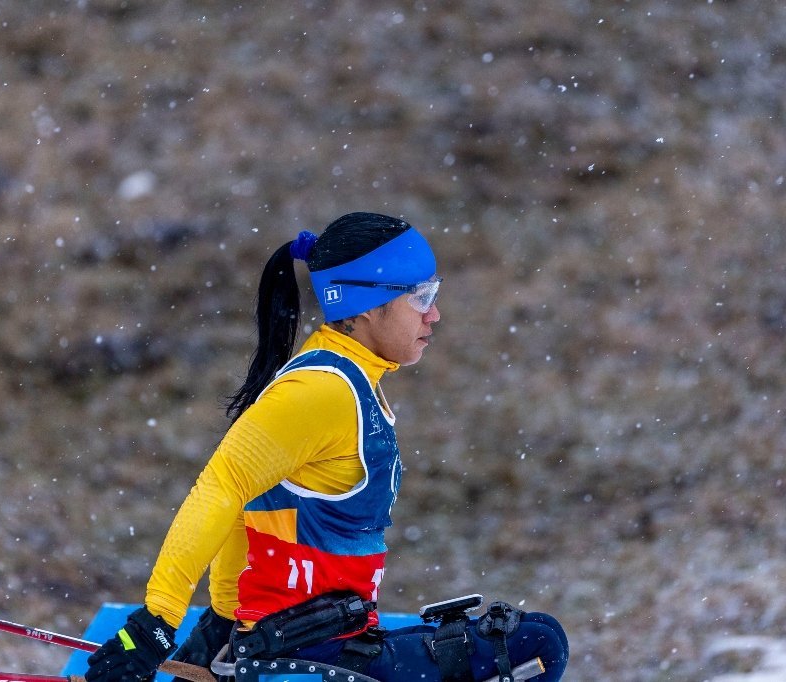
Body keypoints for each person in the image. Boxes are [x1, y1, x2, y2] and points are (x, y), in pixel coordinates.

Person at [84, 212, 569, 682]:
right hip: (308, 652)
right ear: (365, 304)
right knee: (535, 646)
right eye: (420, 297)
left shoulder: (346, 381)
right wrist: (156, 622)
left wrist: (224, 619)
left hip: (327, 636)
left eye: (434, 294)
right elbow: (223, 486)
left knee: (535, 636)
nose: (434, 313)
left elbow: (249, 496)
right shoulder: (323, 391)